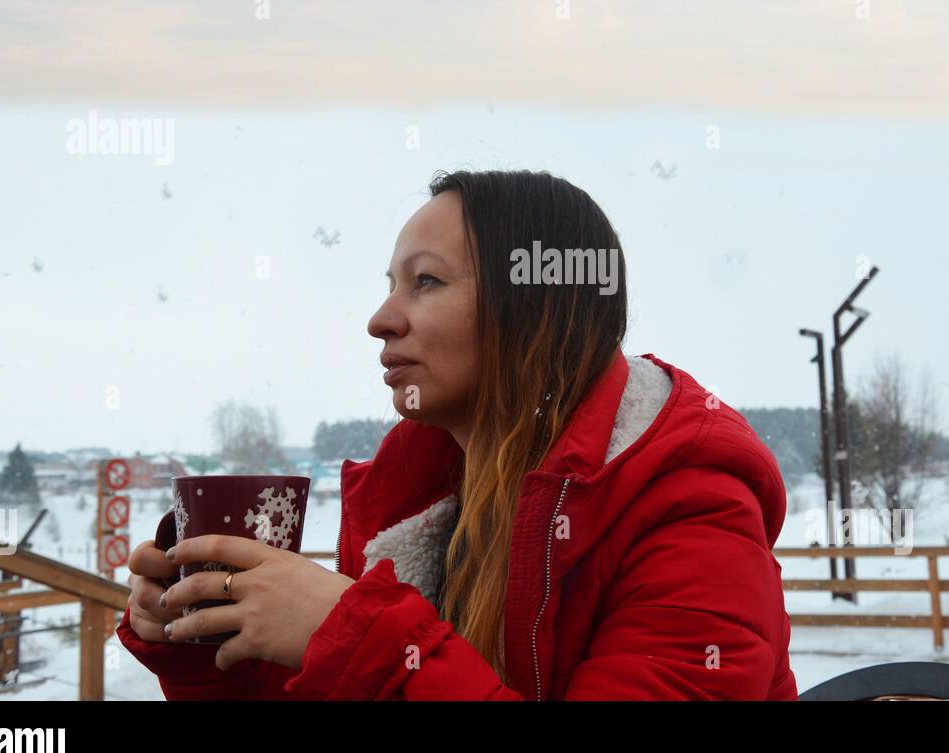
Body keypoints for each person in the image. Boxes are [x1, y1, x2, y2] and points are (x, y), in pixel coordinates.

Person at [117, 168, 799, 700]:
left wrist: (356, 634)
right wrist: (209, 645)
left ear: (537, 308)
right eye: (391, 284)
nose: (380, 318)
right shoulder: (409, 510)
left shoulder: (690, 512)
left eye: (426, 282)